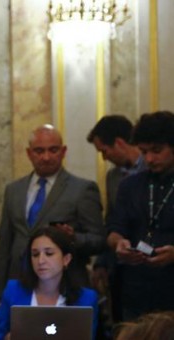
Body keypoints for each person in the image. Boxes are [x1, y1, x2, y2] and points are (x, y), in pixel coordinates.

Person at [0, 124, 104, 300]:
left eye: (53, 150)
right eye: (39, 151)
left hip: (65, 285)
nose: (46, 157)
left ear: (63, 151)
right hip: (19, 283)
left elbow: (98, 239)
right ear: (29, 153)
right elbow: (5, 245)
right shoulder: (14, 190)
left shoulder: (82, 189)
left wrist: (73, 238)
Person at [106, 111, 174, 321]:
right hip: (135, 293)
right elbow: (113, 230)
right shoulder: (130, 185)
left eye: (157, 150)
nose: (149, 159)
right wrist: (119, 244)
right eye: (144, 152)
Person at [86, 115, 146, 326]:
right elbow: (111, 220)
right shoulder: (113, 177)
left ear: (119, 143)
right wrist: (102, 261)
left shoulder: (155, 171)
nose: (104, 158)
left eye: (104, 151)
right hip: (121, 268)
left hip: (154, 267)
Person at [0, 226, 98, 340]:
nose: (41, 261)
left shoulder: (87, 298)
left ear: (66, 259)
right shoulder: (13, 290)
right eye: (35, 254)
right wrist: (9, 338)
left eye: (49, 253)